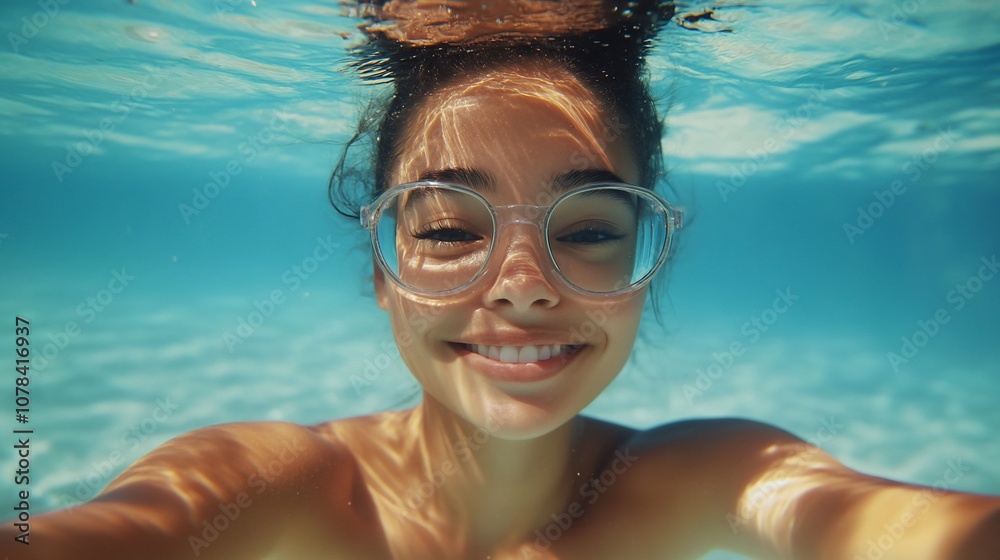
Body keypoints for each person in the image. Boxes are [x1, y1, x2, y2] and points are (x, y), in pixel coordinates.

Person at [4, 2, 998, 559]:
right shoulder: (283, 486)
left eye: (593, 227)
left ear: (649, 263)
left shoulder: (704, 476)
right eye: (445, 227)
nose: (522, 284)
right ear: (382, 271)